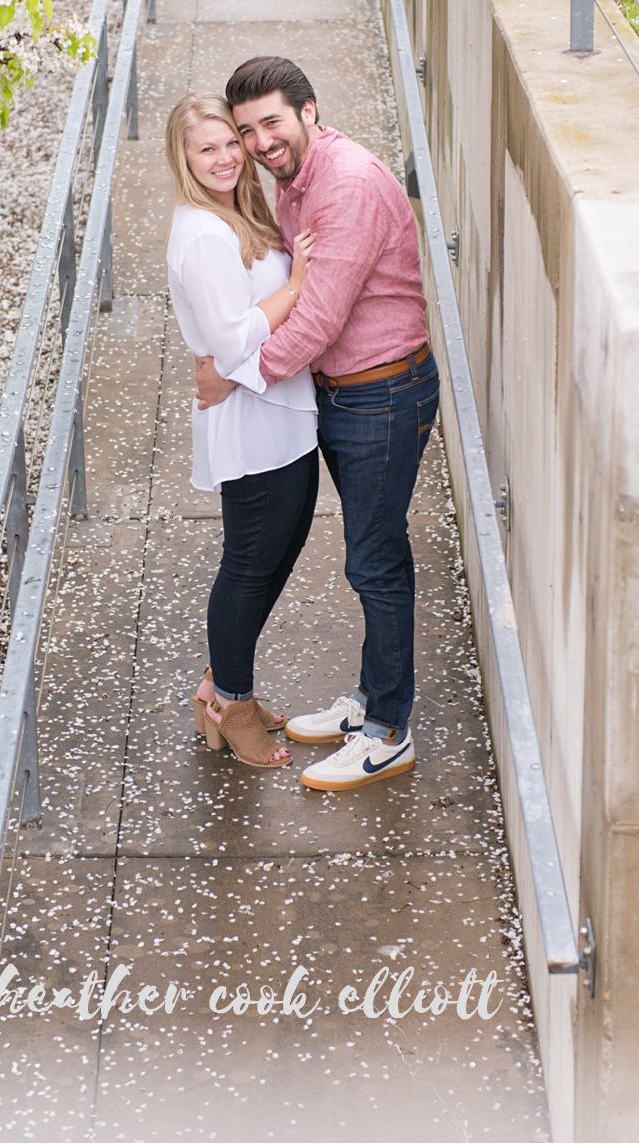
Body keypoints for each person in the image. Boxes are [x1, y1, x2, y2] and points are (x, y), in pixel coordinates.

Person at [194, 55, 436, 793]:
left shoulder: (348, 185)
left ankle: (388, 730)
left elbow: (322, 316)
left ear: (309, 111)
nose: (261, 143)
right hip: (344, 392)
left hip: (381, 394)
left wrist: (234, 374)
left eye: (271, 122)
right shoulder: (294, 177)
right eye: (246, 131)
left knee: (376, 561)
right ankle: (369, 697)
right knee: (366, 553)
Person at [163, 92, 318, 770]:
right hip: (250, 423)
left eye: (231, 142)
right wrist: (300, 285)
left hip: (279, 409)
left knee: (275, 559)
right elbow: (229, 344)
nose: (226, 157)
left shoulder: (237, 212)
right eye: (209, 148)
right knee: (249, 567)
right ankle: (233, 702)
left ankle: (217, 685)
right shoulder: (201, 233)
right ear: (184, 158)